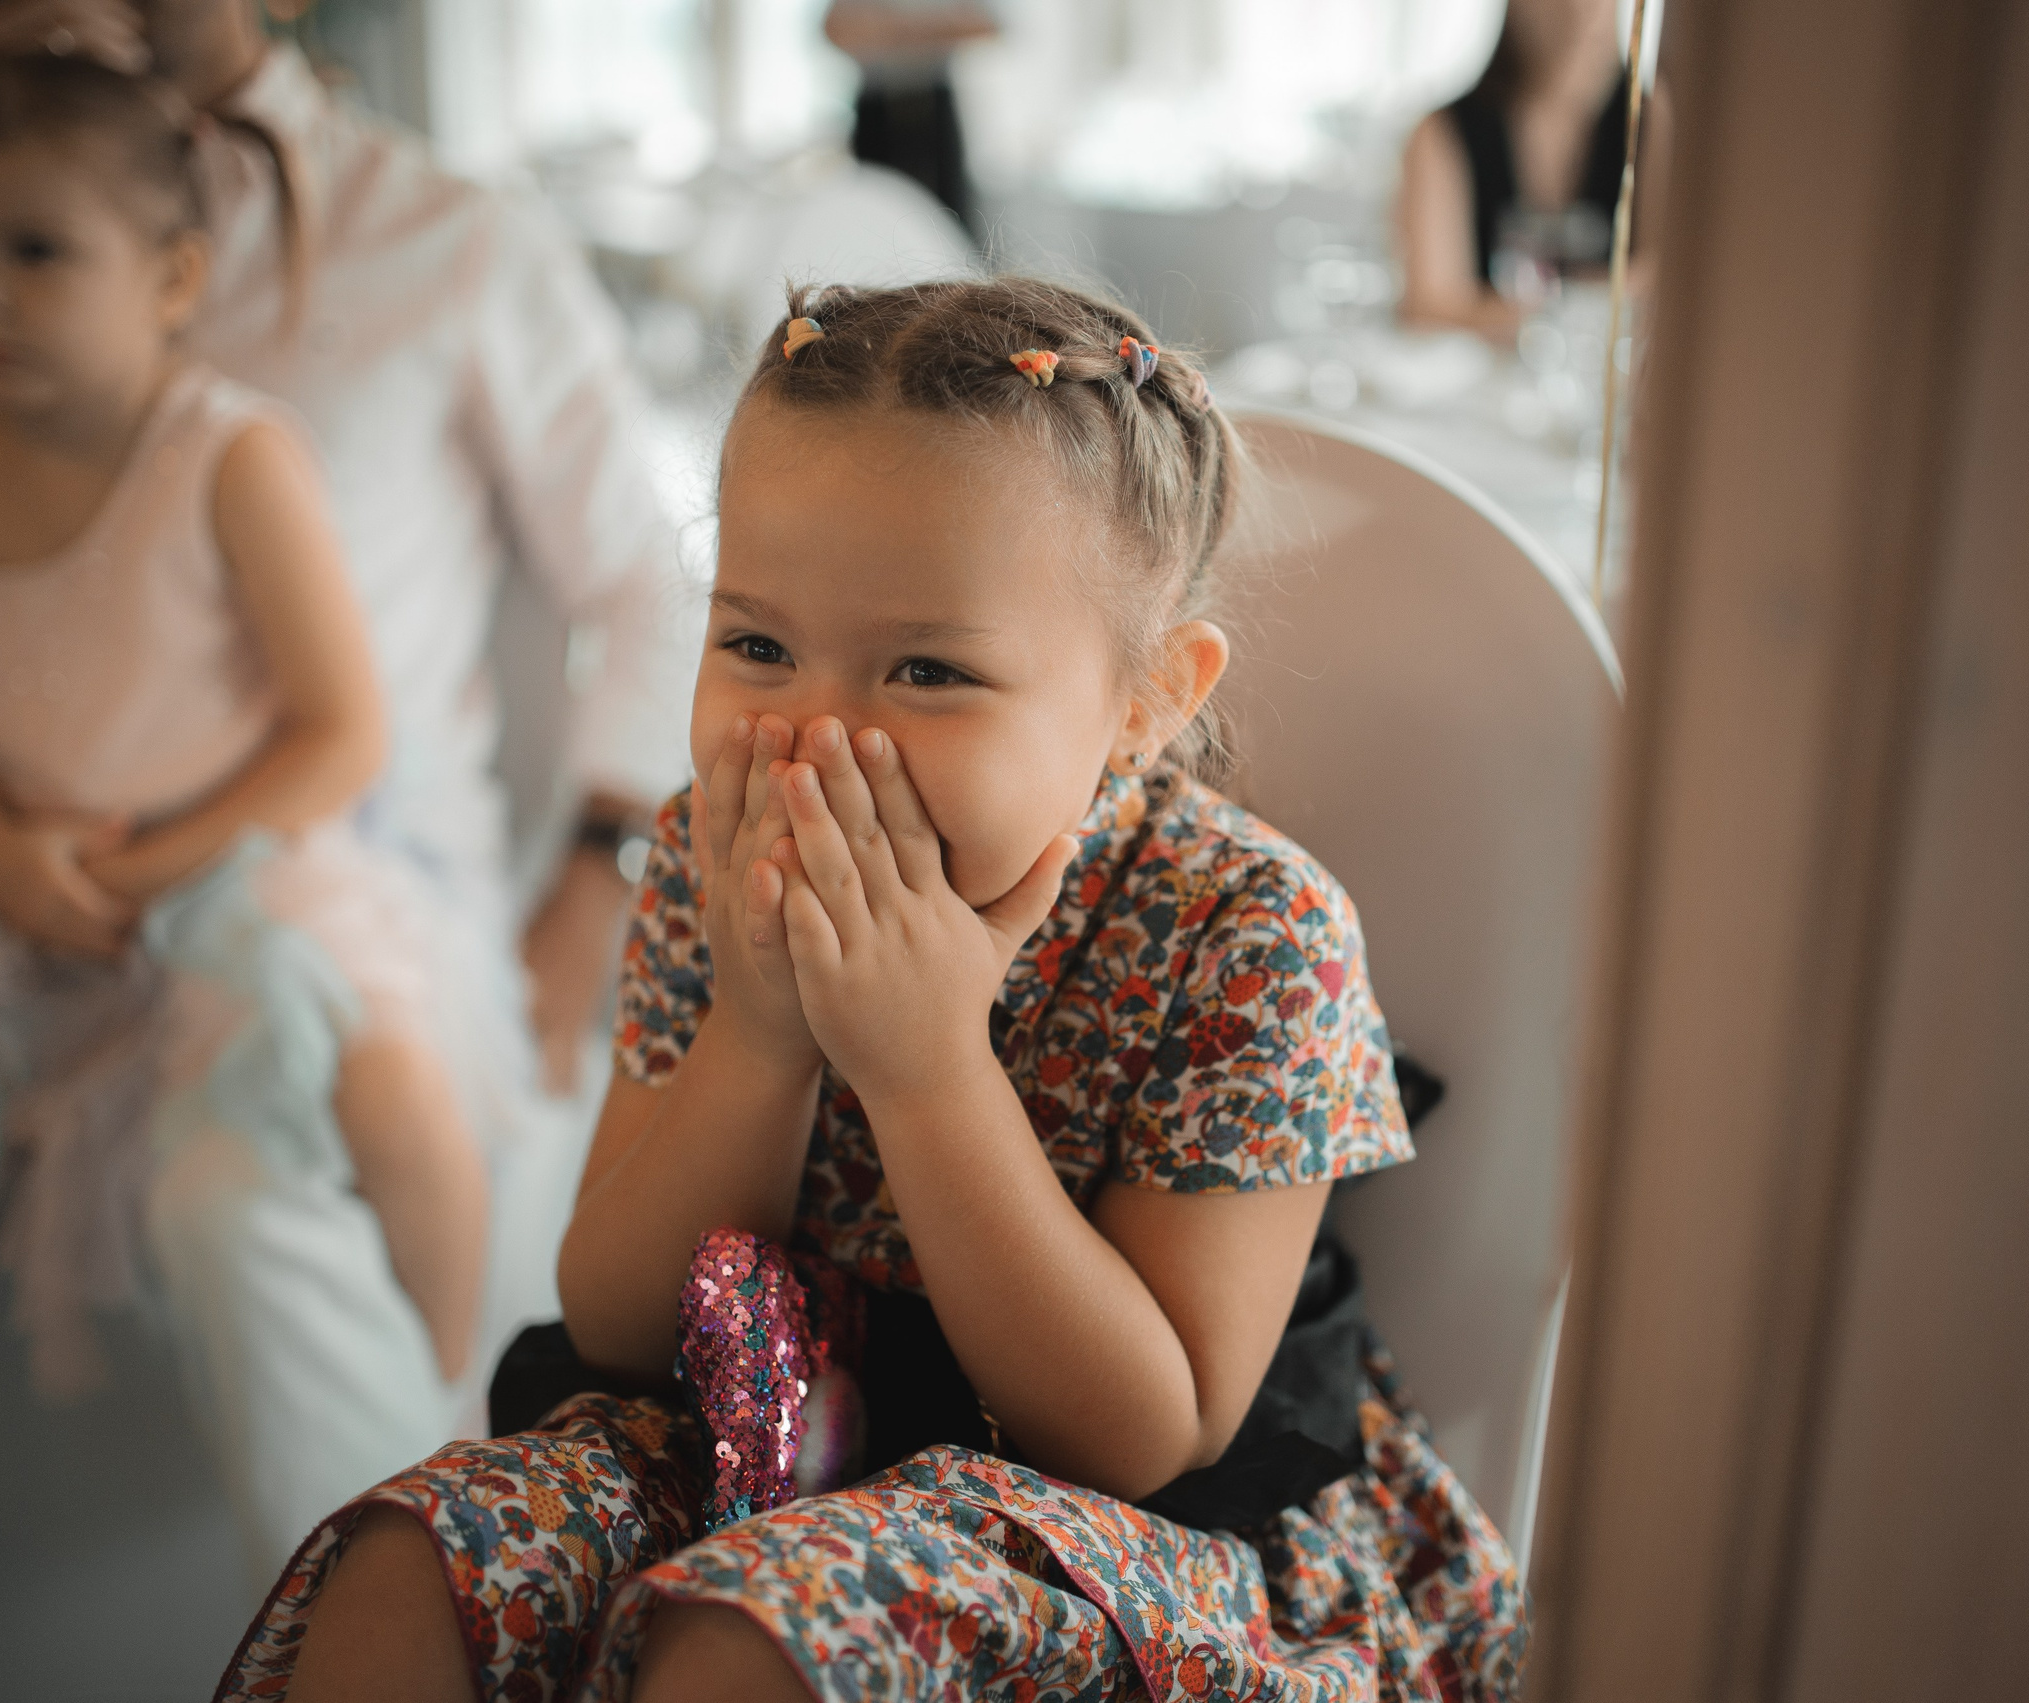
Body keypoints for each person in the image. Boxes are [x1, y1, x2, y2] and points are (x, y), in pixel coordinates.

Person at [214, 278, 1529, 1702]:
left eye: (928, 669)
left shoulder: (1249, 931)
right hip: (757, 1431)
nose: (816, 735)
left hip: (1124, 1536)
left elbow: (1144, 1432)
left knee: (745, 1635)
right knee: (410, 1564)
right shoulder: (708, 855)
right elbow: (615, 1318)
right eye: (757, 644)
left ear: (1144, 700)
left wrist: (925, 1068)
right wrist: (761, 1033)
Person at [0, 0, 688, 1690]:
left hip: (320, 872)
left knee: (233, 1179)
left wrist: (603, 868)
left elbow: (643, 576)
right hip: (14, 888)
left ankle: (421, 1632)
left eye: (28, 249)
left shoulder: (439, 234)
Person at [1395, 0, 1671, 343]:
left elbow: (1665, 286)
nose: (1579, 11)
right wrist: (1581, 309)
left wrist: (1503, 313)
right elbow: (1427, 309)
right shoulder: (1443, 132)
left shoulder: (1654, 123)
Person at [823, 0, 999, 237]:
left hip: (933, 101)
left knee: (950, 218)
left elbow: (984, 26)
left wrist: (889, 33)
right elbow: (836, 30)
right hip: (878, 105)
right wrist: (929, 32)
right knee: (873, 207)